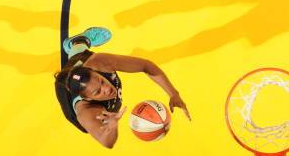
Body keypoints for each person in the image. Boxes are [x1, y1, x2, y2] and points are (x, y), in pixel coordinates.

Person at [54, 27, 190, 148]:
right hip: (74, 103)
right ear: (87, 98)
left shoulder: (100, 62)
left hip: (81, 66)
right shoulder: (87, 113)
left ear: (95, 71)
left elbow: (145, 65)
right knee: (74, 68)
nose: (106, 89)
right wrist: (112, 126)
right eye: (98, 92)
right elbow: (106, 142)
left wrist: (173, 94)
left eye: (102, 81)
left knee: (80, 57)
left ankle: (78, 42)